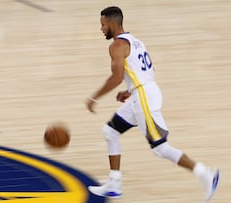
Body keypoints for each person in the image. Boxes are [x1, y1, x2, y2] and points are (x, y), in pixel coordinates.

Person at [86, 6, 219, 202]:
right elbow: (146, 70)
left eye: (103, 25)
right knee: (110, 132)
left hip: (144, 98)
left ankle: (206, 173)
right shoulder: (136, 41)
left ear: (113, 24)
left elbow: (116, 77)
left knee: (160, 149)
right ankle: (114, 184)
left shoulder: (116, 46)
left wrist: (94, 97)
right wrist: (130, 90)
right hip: (143, 92)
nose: (101, 29)